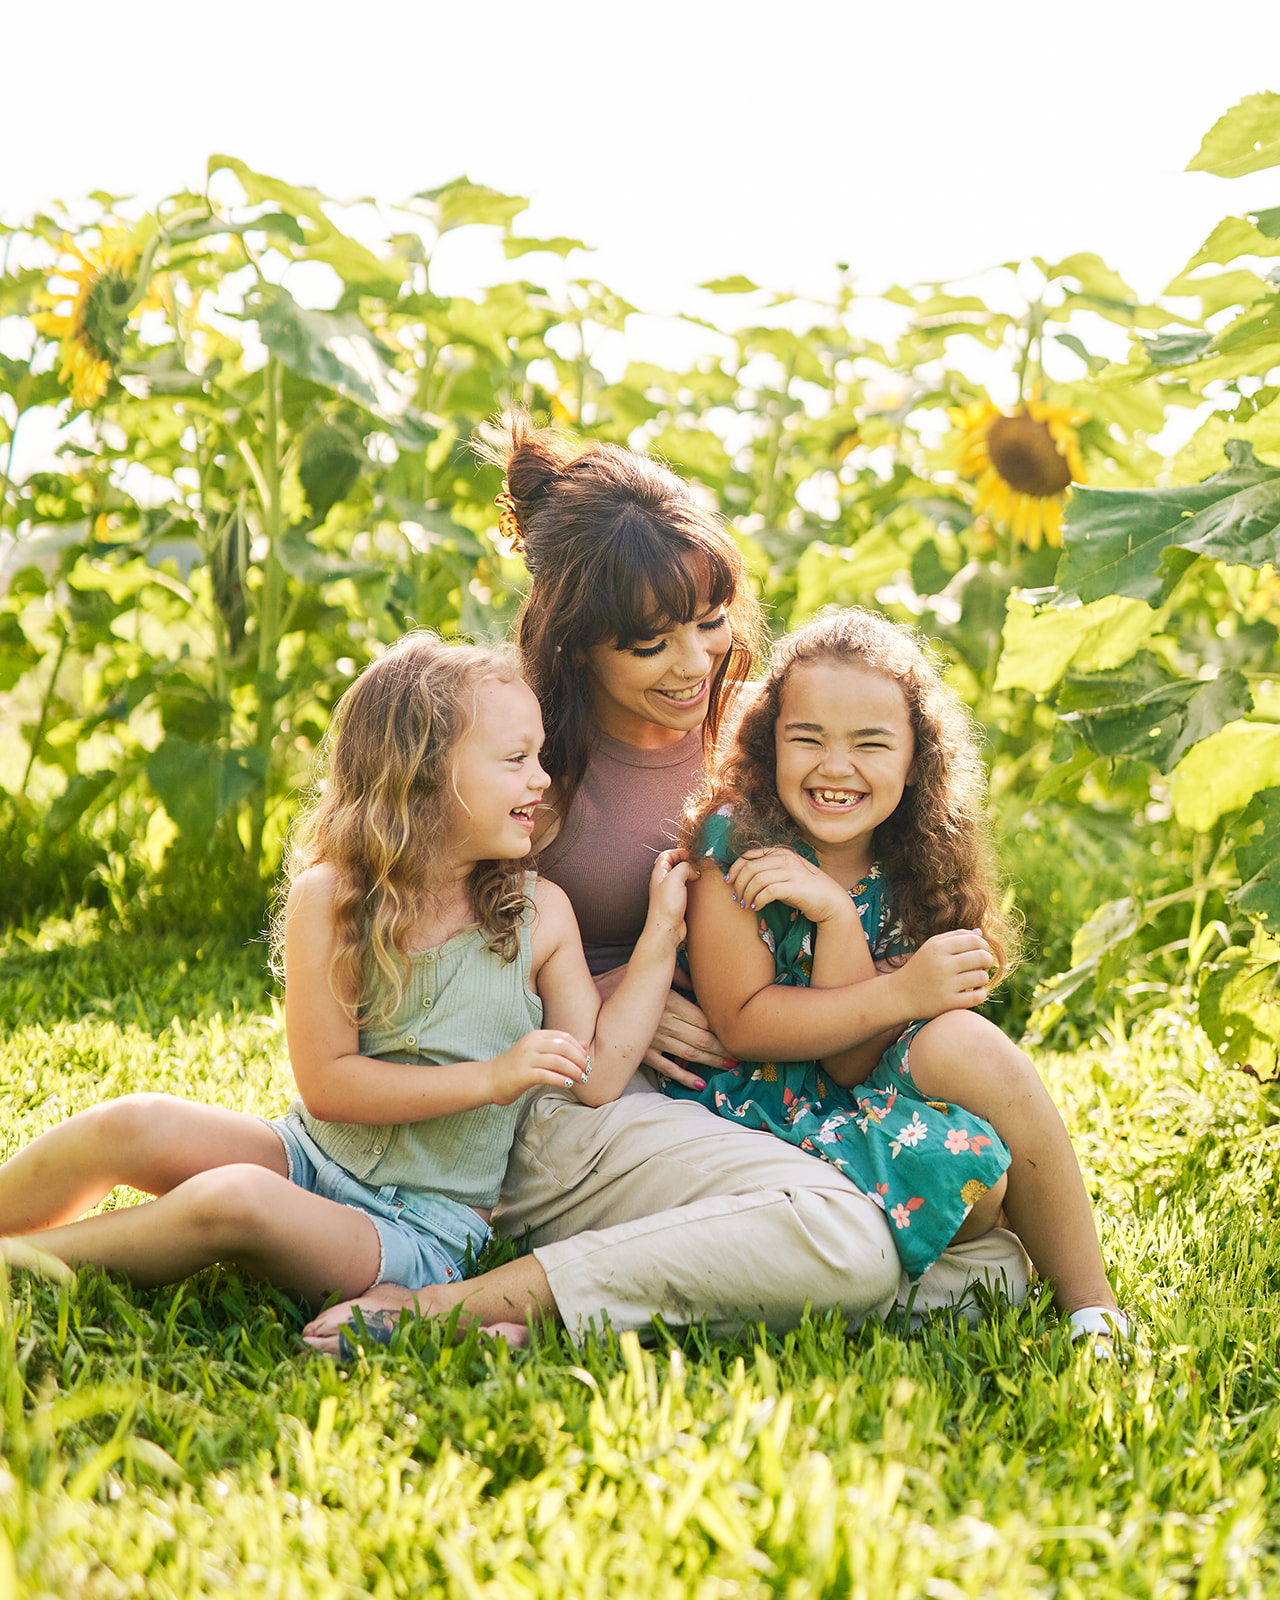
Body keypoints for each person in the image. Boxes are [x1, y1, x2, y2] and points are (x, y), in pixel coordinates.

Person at [303, 421, 1035, 1356]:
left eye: (708, 624)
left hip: (758, 1085)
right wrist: (612, 1000)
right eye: (650, 645)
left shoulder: (762, 734)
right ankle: (479, 1305)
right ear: (578, 647)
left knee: (982, 1259)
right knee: (855, 1245)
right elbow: (427, 955)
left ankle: (611, 1304)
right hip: (585, 1098)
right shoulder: (530, 763)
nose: (693, 666)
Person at [0, 633, 690, 1319]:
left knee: (234, 1199)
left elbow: (597, 1074)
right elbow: (328, 1087)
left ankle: (26, 1261)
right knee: (132, 1123)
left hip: (422, 1230)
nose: (542, 778)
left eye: (537, 756)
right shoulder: (333, 898)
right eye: (516, 760)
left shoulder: (541, 914)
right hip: (307, 1157)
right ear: (424, 773)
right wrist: (490, 1077)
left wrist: (660, 934)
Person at [669, 606, 1125, 1339]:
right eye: (806, 738)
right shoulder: (737, 844)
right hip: (766, 1101)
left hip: (866, 1083)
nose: (836, 768)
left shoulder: (917, 856)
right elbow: (744, 1024)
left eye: (872, 744)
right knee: (976, 1192)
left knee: (977, 1120)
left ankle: (1094, 1310)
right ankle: (929, 1274)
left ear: (916, 760)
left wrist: (867, 945)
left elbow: (864, 1051)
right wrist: (847, 932)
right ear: (768, 743)